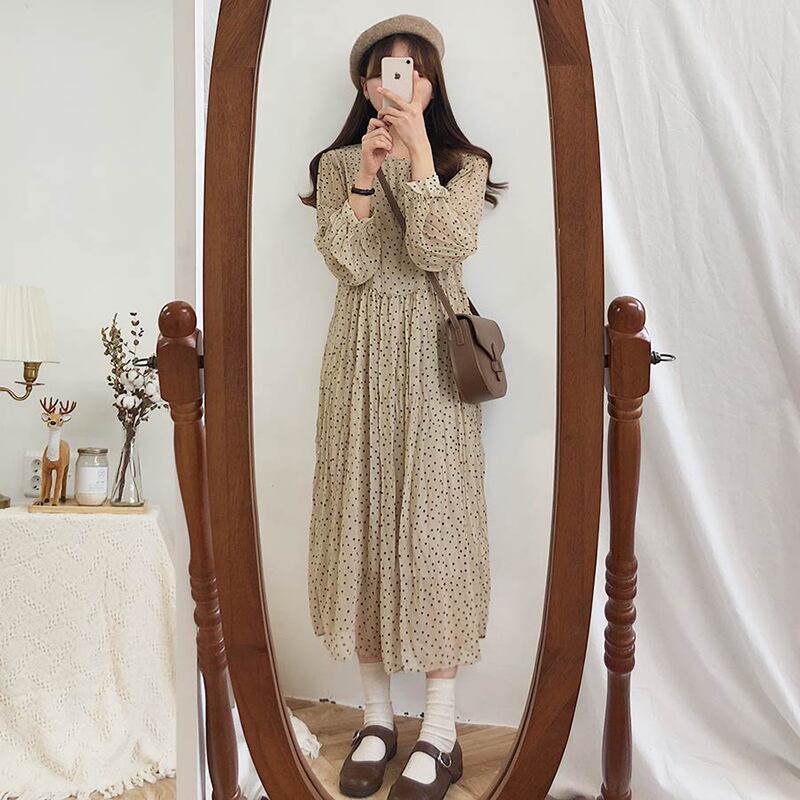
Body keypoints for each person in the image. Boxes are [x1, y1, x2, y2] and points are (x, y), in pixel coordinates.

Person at [301, 13, 505, 800]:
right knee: (360, 522)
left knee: (434, 531)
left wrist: (417, 152)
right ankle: (377, 719)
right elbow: (346, 263)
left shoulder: (462, 164)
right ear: (366, 84)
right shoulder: (337, 163)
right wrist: (364, 174)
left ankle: (442, 732)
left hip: (432, 363)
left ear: (430, 83)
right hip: (357, 359)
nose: (400, 81)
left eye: (413, 69)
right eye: (387, 69)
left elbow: (436, 250)